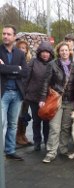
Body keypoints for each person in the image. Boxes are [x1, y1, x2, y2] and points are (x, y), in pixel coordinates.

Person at [40, 42, 74, 163]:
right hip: (57, 99)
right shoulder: (53, 64)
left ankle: (63, 149)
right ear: (58, 52)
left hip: (70, 101)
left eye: (66, 50)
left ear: (69, 51)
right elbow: (46, 82)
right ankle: (51, 152)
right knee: (55, 127)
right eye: (62, 50)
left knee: (66, 127)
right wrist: (42, 99)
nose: (64, 52)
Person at [0, 24, 28, 161]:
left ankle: (10, 151)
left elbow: (25, 72)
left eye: (8, 34)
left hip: (17, 93)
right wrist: (16, 69)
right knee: (1, 123)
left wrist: (6, 68)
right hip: (2, 93)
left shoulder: (20, 53)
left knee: (12, 124)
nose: (5, 36)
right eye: (4, 33)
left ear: (14, 37)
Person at [24, 41, 54, 151]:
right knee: (36, 121)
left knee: (46, 121)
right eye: (43, 52)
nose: (45, 54)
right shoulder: (33, 62)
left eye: (47, 52)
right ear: (39, 53)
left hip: (47, 98)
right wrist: (24, 93)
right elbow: (26, 78)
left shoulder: (53, 64)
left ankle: (46, 142)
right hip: (33, 97)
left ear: (50, 53)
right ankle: (37, 142)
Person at [15, 40, 32, 145]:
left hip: (28, 92)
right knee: (19, 115)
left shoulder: (29, 61)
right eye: (20, 47)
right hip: (19, 91)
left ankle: (23, 134)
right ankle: (18, 136)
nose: (22, 50)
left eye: (24, 48)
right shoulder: (15, 60)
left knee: (25, 114)